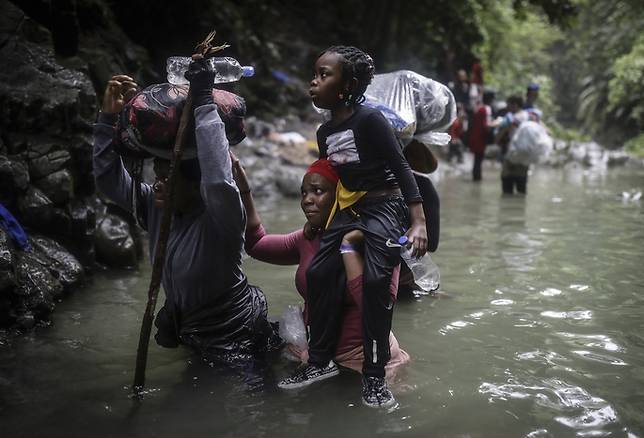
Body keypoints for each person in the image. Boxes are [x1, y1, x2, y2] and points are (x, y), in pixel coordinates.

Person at [92, 65, 277, 367]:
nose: (159, 182)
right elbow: (109, 181)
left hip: (234, 333)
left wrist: (204, 101)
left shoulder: (221, 217)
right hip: (190, 327)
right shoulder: (154, 205)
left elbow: (218, 179)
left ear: (196, 185)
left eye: (169, 176)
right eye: (159, 174)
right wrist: (108, 119)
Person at [276, 45, 428, 409]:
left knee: (376, 282)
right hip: (352, 208)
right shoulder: (325, 132)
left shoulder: (370, 120)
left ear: (349, 85)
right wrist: (318, 222)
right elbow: (335, 182)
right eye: (314, 74)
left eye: (324, 75)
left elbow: (401, 166)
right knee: (318, 272)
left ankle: (374, 377)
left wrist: (418, 220)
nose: (314, 82)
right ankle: (320, 361)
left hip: (387, 206)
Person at [231, 156, 410, 378]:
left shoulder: (374, 240)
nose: (307, 200)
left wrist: (348, 248)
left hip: (365, 362)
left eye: (317, 191)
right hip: (318, 358)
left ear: (341, 197)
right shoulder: (309, 238)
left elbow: (376, 309)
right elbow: (256, 245)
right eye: (304, 193)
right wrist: (244, 193)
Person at [495, 95, 530, 195]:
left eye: (509, 105)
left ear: (515, 105)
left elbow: (498, 138)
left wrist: (497, 138)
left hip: (511, 155)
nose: (507, 108)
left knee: (507, 188)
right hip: (525, 157)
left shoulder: (511, 118)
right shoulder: (528, 116)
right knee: (521, 189)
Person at [468, 89, 496, 181]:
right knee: (478, 160)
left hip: (474, 137)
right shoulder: (486, 109)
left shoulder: (478, 107)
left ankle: (476, 179)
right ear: (490, 99)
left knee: (477, 160)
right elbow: (486, 126)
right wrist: (497, 123)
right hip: (481, 139)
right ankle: (477, 179)